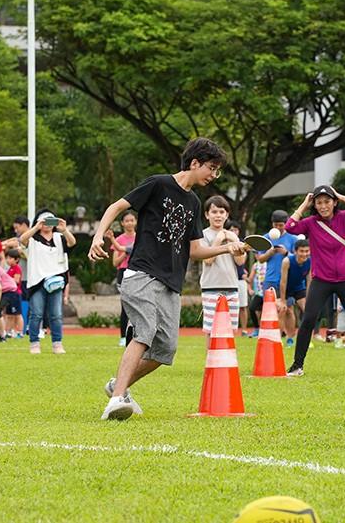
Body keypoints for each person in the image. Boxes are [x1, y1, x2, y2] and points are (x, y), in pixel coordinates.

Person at [89, 138, 249, 420]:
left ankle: (118, 385)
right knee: (145, 331)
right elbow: (116, 207)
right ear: (195, 163)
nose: (214, 175)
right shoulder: (158, 184)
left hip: (170, 283)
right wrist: (98, 236)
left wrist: (227, 248)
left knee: (165, 349)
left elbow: (195, 250)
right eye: (211, 168)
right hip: (142, 274)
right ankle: (115, 401)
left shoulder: (193, 202)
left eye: (217, 170)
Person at [283, 184, 345, 378]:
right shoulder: (311, 223)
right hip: (322, 279)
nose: (323, 206)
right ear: (315, 205)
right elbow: (290, 227)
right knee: (308, 320)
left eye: (327, 201)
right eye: (319, 202)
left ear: (334, 202)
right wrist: (305, 204)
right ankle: (297, 366)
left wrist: (341, 196)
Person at [18, 211, 76, 355]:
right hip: (37, 281)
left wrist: (64, 230)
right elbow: (22, 240)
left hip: (55, 281)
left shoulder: (59, 237)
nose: (47, 224)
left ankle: (57, 343)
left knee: (56, 314)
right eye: (44, 221)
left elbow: (72, 243)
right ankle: (34, 343)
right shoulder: (33, 239)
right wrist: (36, 227)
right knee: (36, 314)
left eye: (50, 221)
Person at [199, 196, 245, 340]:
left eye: (221, 212)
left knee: (230, 331)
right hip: (210, 288)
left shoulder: (232, 236)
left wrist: (234, 240)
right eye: (214, 212)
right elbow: (208, 260)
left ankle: (228, 356)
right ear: (207, 215)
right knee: (211, 331)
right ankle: (209, 356)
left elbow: (240, 262)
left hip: (232, 287)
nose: (218, 215)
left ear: (227, 215)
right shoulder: (203, 235)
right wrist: (219, 239)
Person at [257, 210, 297, 342]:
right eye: (276, 225)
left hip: (288, 279)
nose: (278, 228)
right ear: (272, 224)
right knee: (271, 310)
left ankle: (290, 337)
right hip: (270, 279)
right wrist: (270, 252)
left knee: (289, 309)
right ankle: (274, 338)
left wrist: (286, 253)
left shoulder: (292, 239)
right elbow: (260, 259)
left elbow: (298, 259)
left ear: (286, 224)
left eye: (281, 225)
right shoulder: (265, 238)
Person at [106, 210, 137, 347]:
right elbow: (115, 263)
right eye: (127, 221)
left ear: (136, 222)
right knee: (126, 307)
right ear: (122, 223)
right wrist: (126, 253)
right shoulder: (119, 240)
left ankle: (138, 335)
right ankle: (123, 337)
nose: (129, 223)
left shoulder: (141, 238)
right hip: (124, 273)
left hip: (138, 273)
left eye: (132, 220)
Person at [278, 239, 311, 347]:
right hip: (285, 288)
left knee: (308, 311)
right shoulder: (287, 261)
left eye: (307, 251)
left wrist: (309, 299)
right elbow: (283, 282)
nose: (304, 254)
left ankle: (298, 339)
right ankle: (279, 339)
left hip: (298, 287)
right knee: (285, 310)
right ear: (295, 251)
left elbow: (309, 281)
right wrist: (283, 300)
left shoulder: (310, 261)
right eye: (301, 251)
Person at [227, 220, 251, 337]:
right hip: (227, 279)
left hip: (240, 279)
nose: (233, 232)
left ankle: (244, 330)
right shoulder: (222, 243)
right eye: (231, 230)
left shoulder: (242, 244)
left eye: (235, 230)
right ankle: (228, 329)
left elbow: (241, 262)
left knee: (242, 306)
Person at [4, 248, 25, 338]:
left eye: (10, 258)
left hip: (15, 294)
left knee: (17, 314)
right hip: (9, 293)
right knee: (9, 314)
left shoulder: (17, 268)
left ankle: (20, 332)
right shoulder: (10, 269)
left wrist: (6, 279)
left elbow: (16, 280)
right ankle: (8, 331)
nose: (7, 260)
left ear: (16, 259)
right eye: (7, 258)